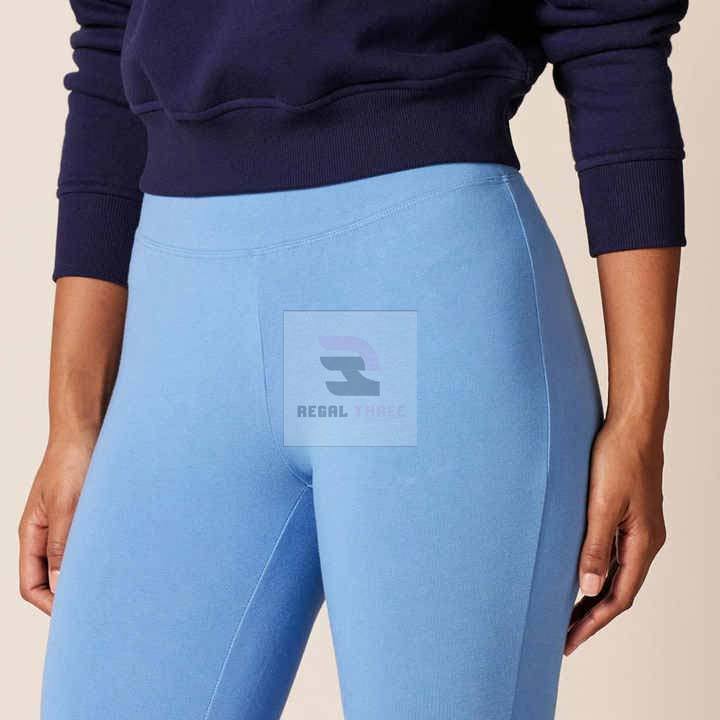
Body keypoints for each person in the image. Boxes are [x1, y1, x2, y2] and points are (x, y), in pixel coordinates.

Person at [20, 2, 686, 718]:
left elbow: (611, 36)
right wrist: (72, 422)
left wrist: (640, 423)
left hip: (413, 291)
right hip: (183, 327)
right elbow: (110, 43)